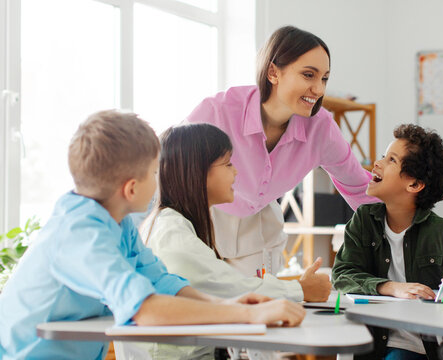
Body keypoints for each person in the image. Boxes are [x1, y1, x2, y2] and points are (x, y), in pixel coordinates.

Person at [0, 110, 305, 359]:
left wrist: (228, 306)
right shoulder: (79, 233)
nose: (160, 179)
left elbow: (162, 282)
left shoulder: (118, 225)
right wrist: (247, 317)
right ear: (132, 188)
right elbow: (143, 308)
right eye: (154, 171)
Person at [117, 123, 331, 359]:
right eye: (228, 164)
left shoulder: (176, 224)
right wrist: (301, 289)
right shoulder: (172, 233)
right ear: (197, 172)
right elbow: (230, 285)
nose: (236, 172)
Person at [185, 26, 378, 276]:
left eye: (324, 78)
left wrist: (409, 220)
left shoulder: (321, 128)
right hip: (202, 215)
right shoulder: (218, 111)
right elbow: (165, 165)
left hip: (258, 226)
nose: (319, 89)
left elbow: (358, 186)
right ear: (273, 72)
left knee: (258, 303)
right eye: (309, 75)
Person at [332, 124, 443, 360]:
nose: (377, 163)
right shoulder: (364, 220)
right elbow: (342, 274)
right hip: (370, 344)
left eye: (391, 160)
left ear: (414, 185)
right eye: (384, 156)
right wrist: (390, 287)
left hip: (419, 348)